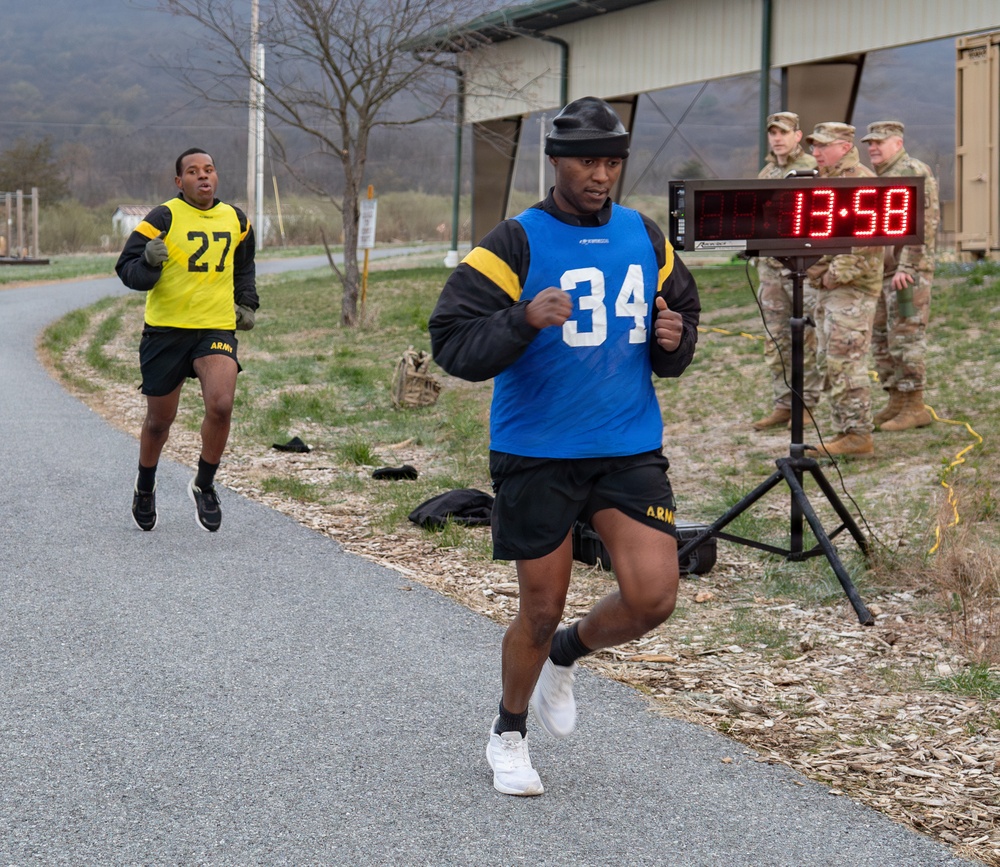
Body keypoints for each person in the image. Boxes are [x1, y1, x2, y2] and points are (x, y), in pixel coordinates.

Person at [428, 97, 701, 797]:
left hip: (627, 446)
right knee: (541, 602)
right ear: (556, 162)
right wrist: (521, 317)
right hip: (537, 449)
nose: (601, 174)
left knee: (653, 598)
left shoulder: (645, 234)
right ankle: (508, 733)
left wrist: (674, 344)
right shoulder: (516, 241)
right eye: (588, 161)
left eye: (611, 162)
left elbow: (682, 313)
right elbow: (451, 339)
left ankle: (568, 653)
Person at [115, 148, 258, 532]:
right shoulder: (162, 217)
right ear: (180, 182)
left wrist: (247, 302)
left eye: (209, 169)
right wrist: (147, 262)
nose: (203, 176)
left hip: (214, 327)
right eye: (193, 172)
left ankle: (205, 484)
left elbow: (244, 265)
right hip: (165, 330)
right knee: (160, 421)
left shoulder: (237, 219)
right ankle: (145, 486)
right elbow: (125, 270)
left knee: (222, 404)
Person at [801, 123, 884, 459]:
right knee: (828, 358)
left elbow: (863, 246)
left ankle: (857, 435)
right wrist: (815, 269)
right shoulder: (820, 181)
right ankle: (844, 428)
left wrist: (830, 275)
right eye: (813, 147)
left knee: (845, 359)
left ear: (844, 145)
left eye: (822, 147)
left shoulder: (861, 182)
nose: (815, 153)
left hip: (853, 290)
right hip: (828, 288)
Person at [861, 120, 940, 431]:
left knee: (906, 336)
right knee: (881, 336)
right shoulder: (877, 177)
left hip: (907, 274)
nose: (873, 148)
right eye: (869, 143)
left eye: (880, 142)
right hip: (881, 272)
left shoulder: (913, 171)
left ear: (898, 142)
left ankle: (915, 405)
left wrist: (908, 267)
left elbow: (926, 224)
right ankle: (895, 399)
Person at [751, 111, 822, 432]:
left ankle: (806, 403)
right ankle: (784, 403)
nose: (777, 138)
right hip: (770, 268)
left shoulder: (812, 169)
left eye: (783, 132)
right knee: (776, 337)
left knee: (805, 335)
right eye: (773, 133)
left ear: (797, 135)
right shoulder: (766, 174)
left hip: (803, 267)